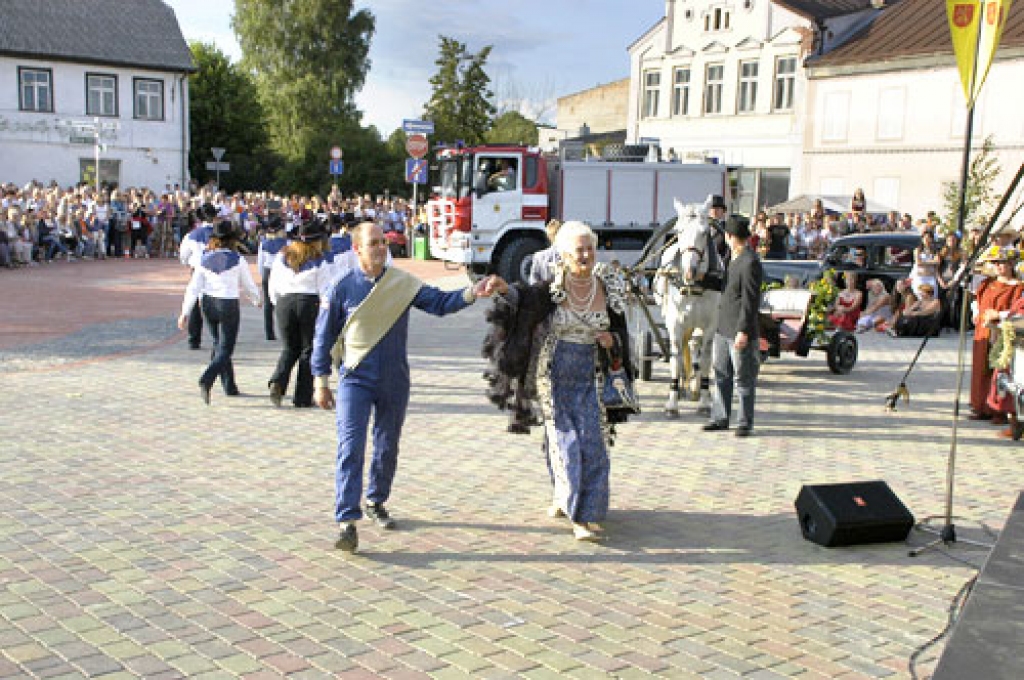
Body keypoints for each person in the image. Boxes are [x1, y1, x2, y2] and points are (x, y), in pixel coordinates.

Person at [311, 222, 504, 553]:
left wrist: (475, 291)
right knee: (351, 446)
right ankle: (346, 521)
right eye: (373, 243)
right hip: (355, 377)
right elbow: (322, 336)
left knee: (387, 446)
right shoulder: (341, 287)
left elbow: (441, 303)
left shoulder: (400, 283)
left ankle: (376, 500)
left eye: (383, 242)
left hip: (394, 377)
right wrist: (320, 381)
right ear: (357, 249)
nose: (380, 248)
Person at [482, 221, 635, 541]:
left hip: (589, 376)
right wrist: (503, 288)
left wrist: (612, 342)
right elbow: (524, 298)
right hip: (552, 375)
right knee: (567, 443)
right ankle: (578, 518)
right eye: (578, 250)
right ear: (563, 254)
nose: (585, 255)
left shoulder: (605, 287)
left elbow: (621, 332)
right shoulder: (554, 287)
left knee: (594, 444)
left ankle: (589, 511)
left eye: (589, 249)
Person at [177, 221, 261, 404]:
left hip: (207, 303)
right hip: (227, 302)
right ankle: (207, 378)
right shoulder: (237, 259)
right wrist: (256, 300)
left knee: (218, 343)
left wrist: (185, 311)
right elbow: (248, 285)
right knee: (226, 348)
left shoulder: (204, 259)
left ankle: (229, 385)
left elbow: (193, 287)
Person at [703, 216, 763, 437]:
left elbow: (750, 300)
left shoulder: (749, 262)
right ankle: (720, 417)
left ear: (730, 237)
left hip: (738, 330)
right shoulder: (732, 257)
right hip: (723, 327)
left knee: (743, 377)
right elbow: (725, 285)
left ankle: (745, 422)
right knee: (721, 374)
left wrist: (743, 331)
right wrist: (701, 279)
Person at [267, 218, 335, 408]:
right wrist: (326, 314)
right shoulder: (319, 260)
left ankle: (278, 382)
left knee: (289, 348)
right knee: (308, 349)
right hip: (309, 302)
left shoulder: (282, 257)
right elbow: (325, 291)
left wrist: (278, 304)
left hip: (284, 302)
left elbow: (273, 285)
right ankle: (302, 397)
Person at [970, 246, 1023, 422]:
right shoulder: (987, 284)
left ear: (1011, 264)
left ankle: (999, 410)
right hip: (984, 330)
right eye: (997, 263)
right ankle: (981, 406)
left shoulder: (1018, 287)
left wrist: (998, 317)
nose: (999, 266)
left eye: (1003, 263)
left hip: (1004, 330)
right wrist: (976, 312)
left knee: (999, 369)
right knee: (981, 367)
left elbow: (1018, 311)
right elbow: (977, 301)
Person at [179, 204, 218, 349]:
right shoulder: (220, 233)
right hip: (218, 268)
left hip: (197, 268)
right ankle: (219, 337)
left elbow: (183, 256)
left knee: (194, 302)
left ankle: (194, 339)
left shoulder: (191, 235)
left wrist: (189, 263)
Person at [257, 216, 288, 341]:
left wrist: (262, 275)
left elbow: (260, 262)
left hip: (267, 271)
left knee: (268, 304)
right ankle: (284, 330)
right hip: (282, 273)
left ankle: (269, 332)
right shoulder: (286, 243)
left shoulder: (264, 243)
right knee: (283, 302)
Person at [527, 219, 563, 285]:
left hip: (544, 293)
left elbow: (533, 282)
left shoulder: (538, 256)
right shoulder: (571, 256)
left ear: (548, 236)